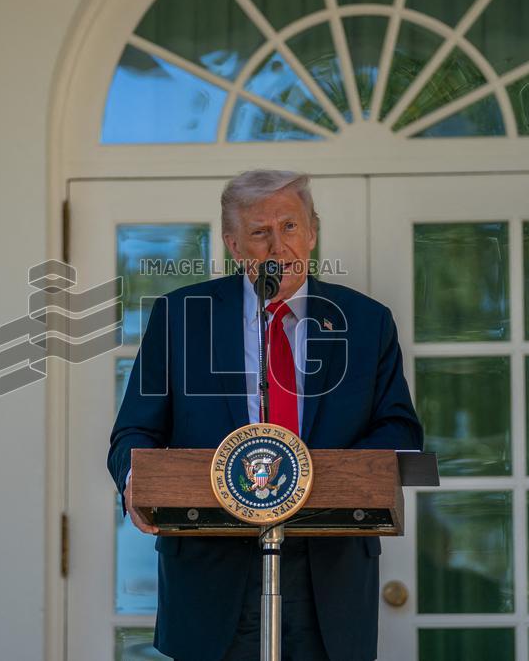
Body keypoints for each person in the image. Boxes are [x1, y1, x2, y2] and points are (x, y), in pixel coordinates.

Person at [107, 169, 423, 661]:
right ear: (235, 245)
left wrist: (322, 479)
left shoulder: (366, 322)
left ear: (313, 232)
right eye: (260, 232)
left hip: (328, 568)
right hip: (212, 563)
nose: (278, 245)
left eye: (290, 227)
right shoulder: (179, 317)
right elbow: (136, 430)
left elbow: (398, 426)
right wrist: (135, 479)